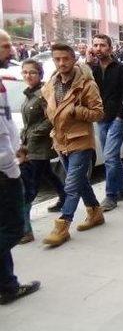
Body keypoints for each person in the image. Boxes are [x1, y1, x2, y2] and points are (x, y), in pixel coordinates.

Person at [41, 43, 105, 247]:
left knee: (71, 184)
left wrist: (77, 111)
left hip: (81, 140)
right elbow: (49, 108)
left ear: (73, 59)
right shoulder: (51, 84)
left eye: (65, 59)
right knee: (79, 181)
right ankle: (95, 212)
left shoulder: (86, 84)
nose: (61, 63)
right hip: (60, 141)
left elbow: (98, 113)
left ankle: (63, 224)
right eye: (57, 59)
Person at [0, 28, 40, 304]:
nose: (12, 50)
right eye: (5, 46)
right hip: (4, 170)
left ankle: (8, 286)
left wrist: (18, 146)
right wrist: (12, 165)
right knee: (14, 227)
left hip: (9, 160)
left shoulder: (2, 83)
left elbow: (7, 125)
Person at [18, 59, 66, 243]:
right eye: (25, 72)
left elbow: (51, 118)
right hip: (30, 144)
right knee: (47, 173)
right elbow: (29, 122)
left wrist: (35, 133)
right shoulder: (29, 94)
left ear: (40, 75)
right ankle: (64, 196)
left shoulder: (42, 94)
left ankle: (26, 231)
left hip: (40, 146)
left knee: (28, 190)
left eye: (32, 72)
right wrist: (24, 135)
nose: (28, 76)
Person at [91, 34, 123, 211]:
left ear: (110, 48)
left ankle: (111, 196)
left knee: (108, 156)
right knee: (113, 157)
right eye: (95, 45)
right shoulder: (92, 70)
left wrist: (120, 115)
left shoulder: (122, 69)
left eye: (102, 45)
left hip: (117, 118)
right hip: (101, 118)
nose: (99, 48)